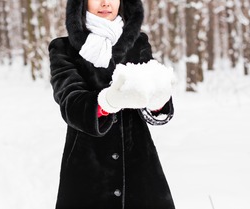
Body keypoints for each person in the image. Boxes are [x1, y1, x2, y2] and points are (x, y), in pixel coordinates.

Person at [48, 0, 175, 208]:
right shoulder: (63, 48)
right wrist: (107, 102)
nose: (105, 3)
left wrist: (158, 100)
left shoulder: (137, 44)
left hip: (140, 169)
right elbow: (70, 103)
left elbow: (155, 102)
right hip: (88, 173)